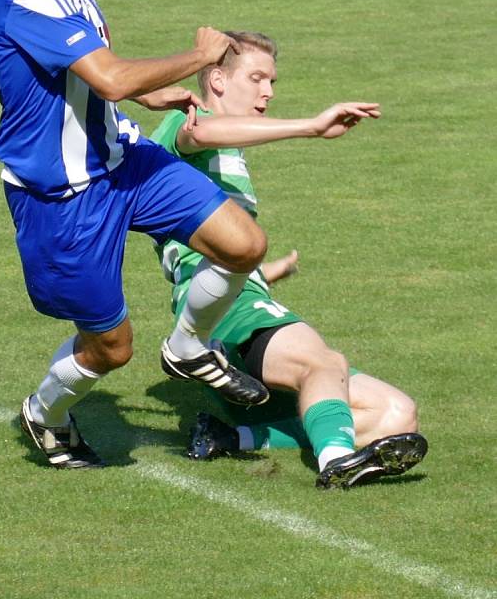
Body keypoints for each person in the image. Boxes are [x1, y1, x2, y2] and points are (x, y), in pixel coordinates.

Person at [0, 0, 272, 470]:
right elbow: (107, 77)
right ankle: (47, 412)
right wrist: (198, 59)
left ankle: (190, 347)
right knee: (111, 347)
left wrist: (150, 87)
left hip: (122, 159)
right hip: (64, 197)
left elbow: (88, 72)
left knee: (244, 245)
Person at [150, 31, 428, 489]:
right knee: (323, 364)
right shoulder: (189, 124)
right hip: (226, 309)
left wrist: (269, 271)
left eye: (272, 81)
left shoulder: (229, 149)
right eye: (256, 78)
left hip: (240, 297)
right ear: (217, 79)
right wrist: (309, 127)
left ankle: (228, 437)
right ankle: (335, 460)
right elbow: (201, 131)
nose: (269, 92)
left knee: (396, 415)